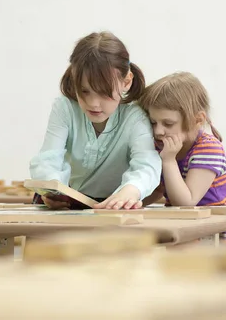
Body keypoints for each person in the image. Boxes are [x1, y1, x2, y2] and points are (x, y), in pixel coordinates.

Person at [29, 31, 162, 210]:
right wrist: (51, 188)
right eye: (84, 91)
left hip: (114, 205)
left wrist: (131, 190)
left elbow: (147, 165)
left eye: (104, 93)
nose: (93, 104)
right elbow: (48, 159)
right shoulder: (65, 107)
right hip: (68, 204)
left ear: (126, 81)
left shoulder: (135, 116)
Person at [139, 71, 226, 243]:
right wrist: (134, 201)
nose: (158, 131)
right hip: (185, 226)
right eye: (153, 122)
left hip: (215, 235)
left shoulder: (208, 148)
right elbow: (159, 189)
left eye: (168, 123)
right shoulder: (163, 145)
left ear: (198, 120)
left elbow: (186, 202)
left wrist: (168, 161)